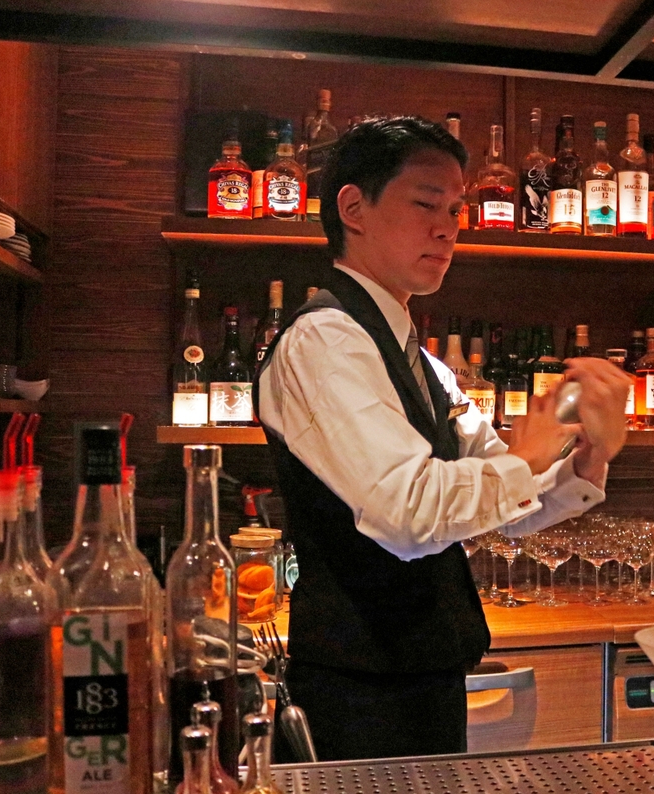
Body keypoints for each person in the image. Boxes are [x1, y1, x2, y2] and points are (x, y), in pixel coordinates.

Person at [254, 115, 630, 762]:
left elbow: (506, 504)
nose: (449, 227)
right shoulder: (325, 341)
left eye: (456, 209)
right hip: (358, 688)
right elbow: (407, 514)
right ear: (353, 208)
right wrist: (529, 454)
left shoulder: (420, 362)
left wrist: (590, 456)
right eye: (426, 204)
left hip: (425, 671)